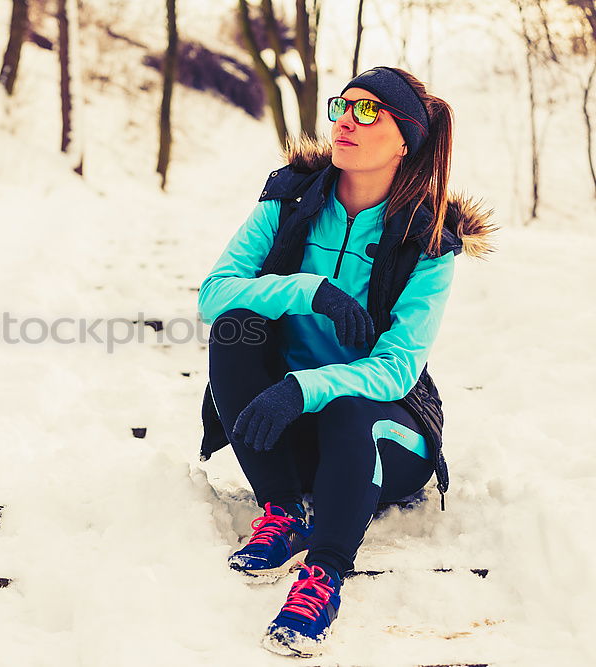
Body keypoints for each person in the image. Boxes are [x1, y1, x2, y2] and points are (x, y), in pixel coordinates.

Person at [195, 66, 497, 657]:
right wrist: (307, 290)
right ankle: (280, 513)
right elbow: (214, 293)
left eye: (368, 112)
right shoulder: (290, 200)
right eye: (343, 106)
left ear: (405, 139)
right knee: (234, 329)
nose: (345, 122)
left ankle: (324, 577)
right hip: (287, 434)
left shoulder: (428, 239)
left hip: (383, 443)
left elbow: (398, 367)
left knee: (350, 407)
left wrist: (305, 387)